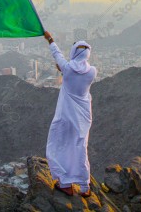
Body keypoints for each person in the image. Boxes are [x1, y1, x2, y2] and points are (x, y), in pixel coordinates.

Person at [44, 30, 97, 197]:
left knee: (60, 144)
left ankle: (65, 183)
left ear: (74, 52)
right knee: (80, 147)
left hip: (66, 114)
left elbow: (57, 53)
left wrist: (50, 39)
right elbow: (77, 78)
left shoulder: (67, 68)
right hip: (83, 115)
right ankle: (84, 187)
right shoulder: (92, 71)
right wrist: (64, 72)